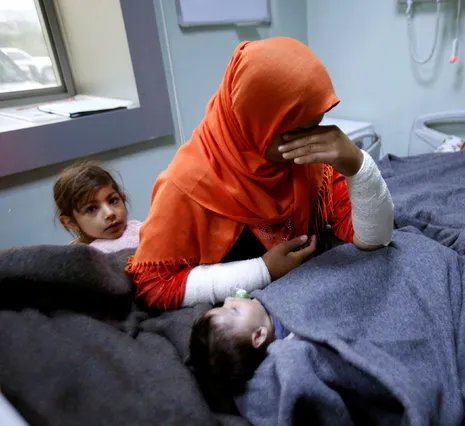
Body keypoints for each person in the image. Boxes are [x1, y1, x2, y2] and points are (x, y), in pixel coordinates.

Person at [126, 37, 394, 310]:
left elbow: (375, 238)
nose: (314, 139)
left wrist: (358, 165)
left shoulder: (307, 162)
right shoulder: (184, 189)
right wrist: (262, 271)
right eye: (299, 130)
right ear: (257, 125)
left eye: (317, 125)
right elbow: (154, 286)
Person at [189, 296, 287, 396]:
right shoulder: (290, 333)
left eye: (223, 306)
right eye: (234, 310)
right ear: (258, 336)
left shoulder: (258, 313)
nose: (228, 299)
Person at [53, 161, 142, 253]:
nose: (110, 213)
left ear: (123, 199)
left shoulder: (142, 231)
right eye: (91, 209)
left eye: (113, 201)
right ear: (70, 223)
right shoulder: (80, 259)